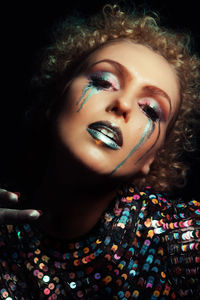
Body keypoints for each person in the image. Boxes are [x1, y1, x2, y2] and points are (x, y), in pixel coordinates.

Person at [0, 4, 200, 299]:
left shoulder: (177, 239)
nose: (123, 105)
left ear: (152, 158)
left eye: (150, 110)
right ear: (56, 99)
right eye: (103, 81)